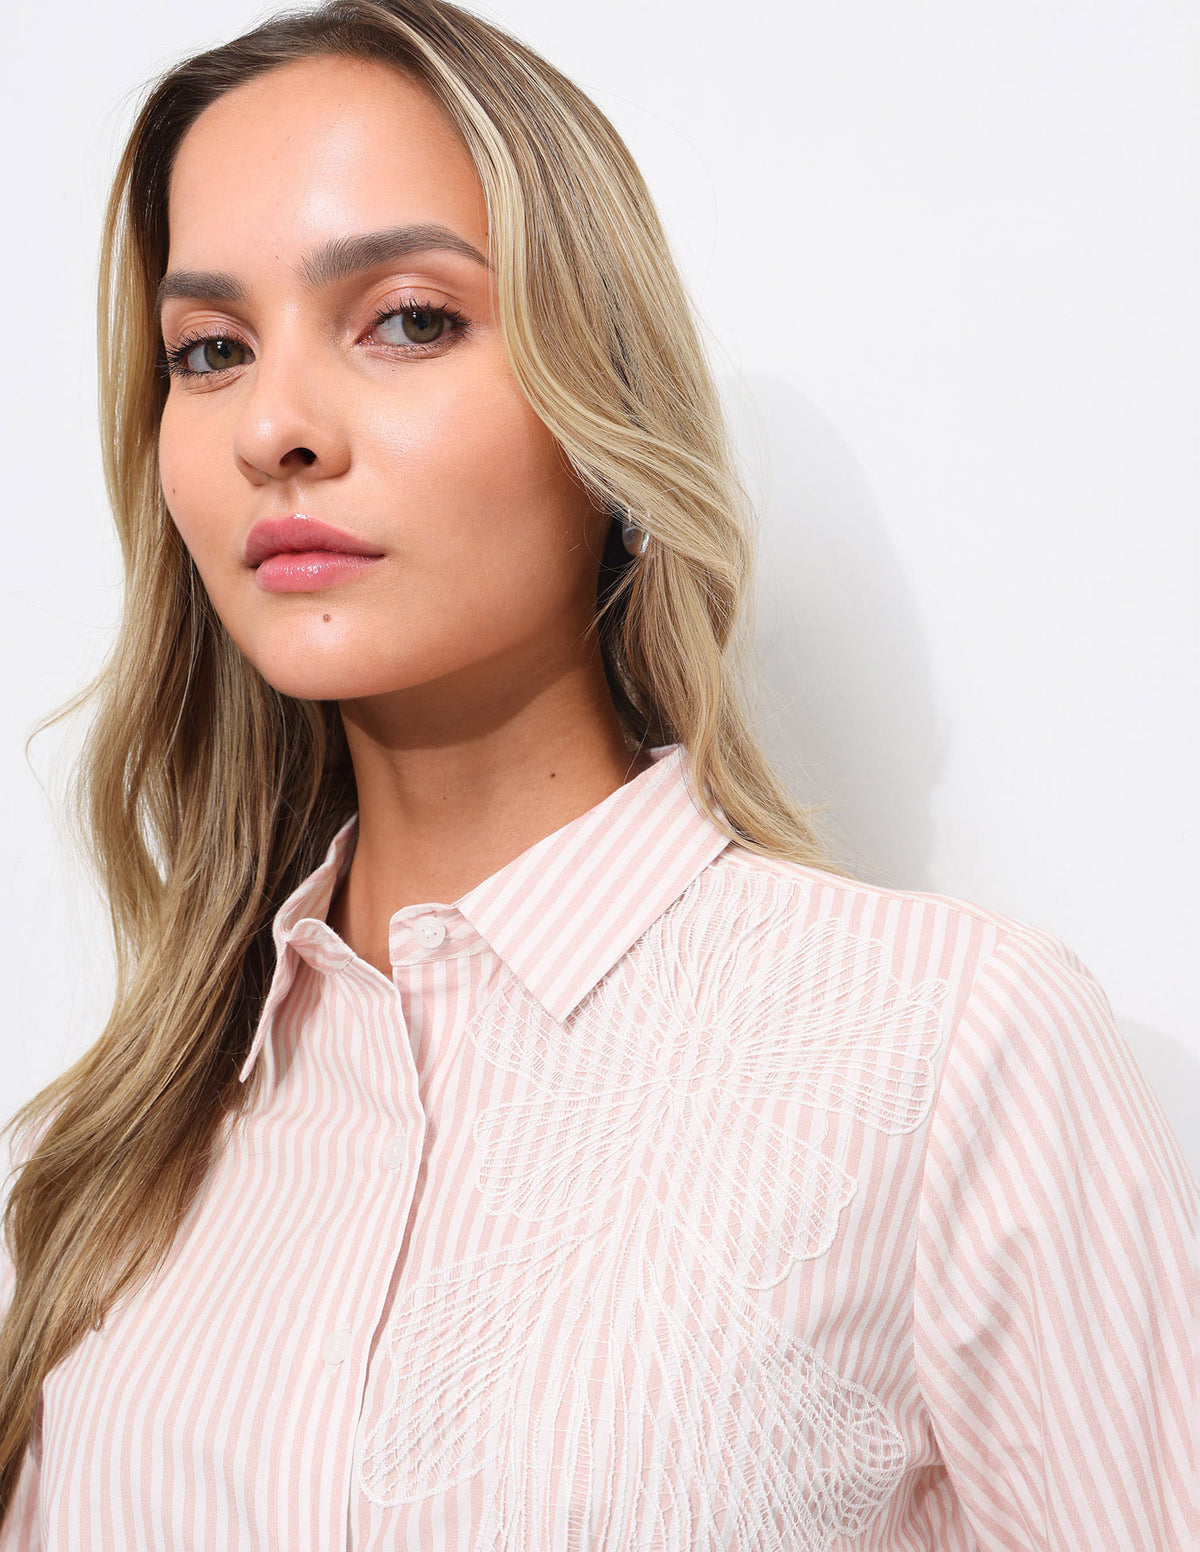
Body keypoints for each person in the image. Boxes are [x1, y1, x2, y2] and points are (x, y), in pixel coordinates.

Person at [0, 0, 1195, 1545]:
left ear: (604, 398)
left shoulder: (952, 1050)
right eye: (211, 351)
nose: (273, 426)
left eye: (408, 320)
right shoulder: (101, 1166)